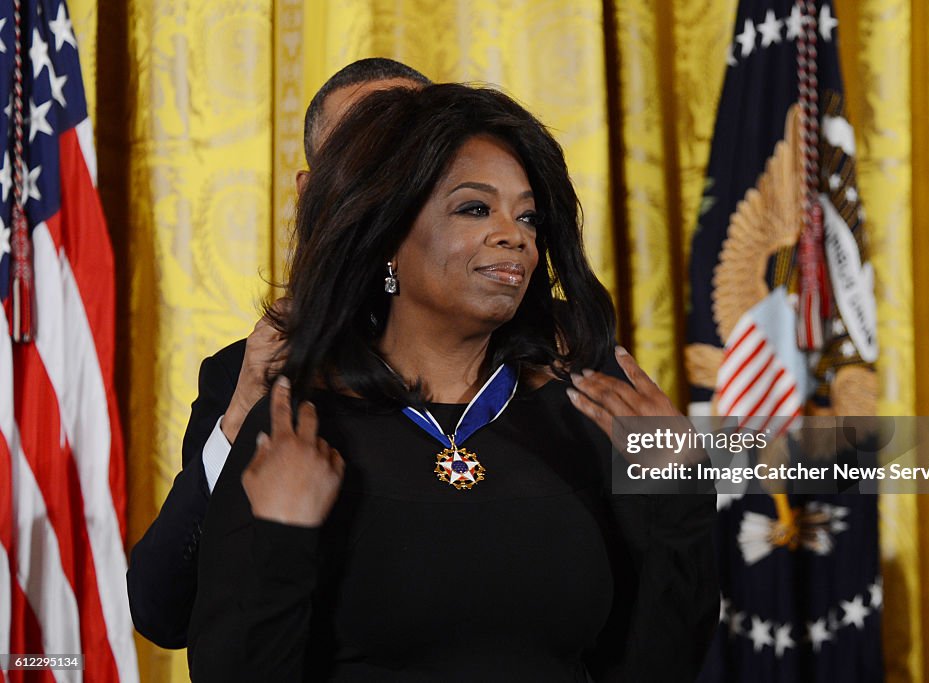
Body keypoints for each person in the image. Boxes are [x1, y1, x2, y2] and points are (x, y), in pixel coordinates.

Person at [187, 83, 718, 682]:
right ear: (387, 234)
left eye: (527, 216)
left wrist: (684, 495)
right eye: (474, 208)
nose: (513, 235)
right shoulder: (297, 427)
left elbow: (661, 665)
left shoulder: (584, 415)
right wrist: (281, 537)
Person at [126, 58, 432, 650]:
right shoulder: (240, 377)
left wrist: (668, 456)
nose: (391, 186)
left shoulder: (570, 355)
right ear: (310, 193)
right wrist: (241, 413)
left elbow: (668, 527)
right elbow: (162, 611)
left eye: (415, 155)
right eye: (364, 159)